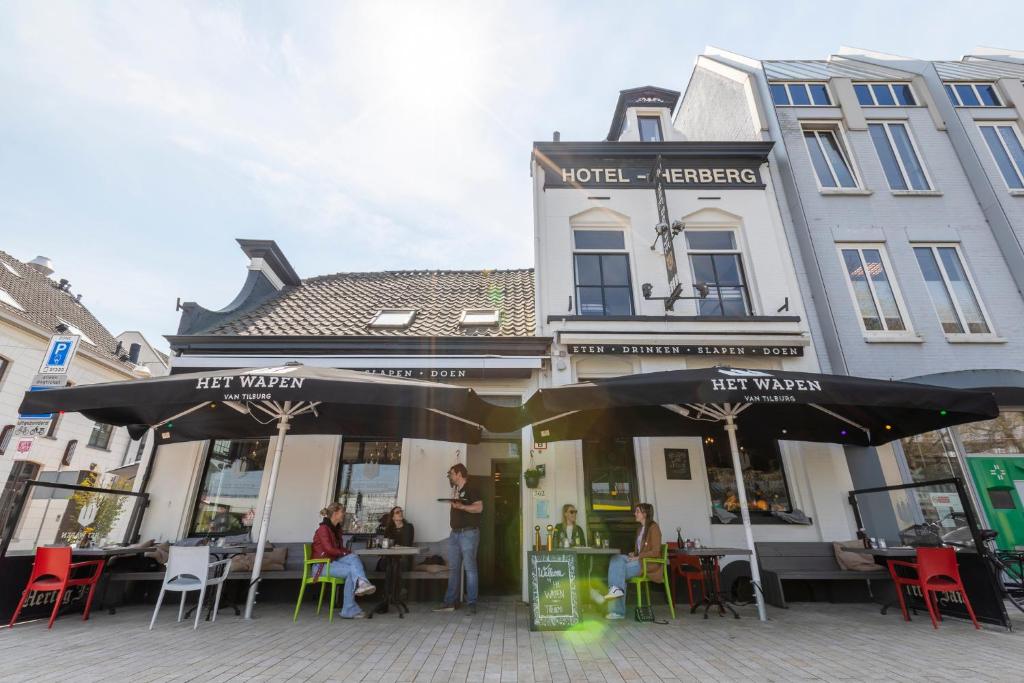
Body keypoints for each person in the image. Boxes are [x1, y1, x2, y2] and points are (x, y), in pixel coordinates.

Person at [590, 503, 663, 620]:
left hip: (646, 563)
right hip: (638, 559)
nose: (635, 513)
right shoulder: (640, 529)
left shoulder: (654, 528)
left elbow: (655, 552)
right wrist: (634, 554)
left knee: (619, 570)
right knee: (616, 558)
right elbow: (641, 549)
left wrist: (638, 557)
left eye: (637, 511)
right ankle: (615, 595)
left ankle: (616, 610)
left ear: (645, 514)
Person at [312, 502, 376, 619]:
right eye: (342, 512)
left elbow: (339, 549)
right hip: (321, 566)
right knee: (351, 570)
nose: (344, 515)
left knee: (354, 557)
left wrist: (349, 553)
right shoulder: (323, 529)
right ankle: (349, 608)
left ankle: (362, 583)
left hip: (332, 562)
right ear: (335, 513)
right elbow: (329, 549)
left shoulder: (335, 530)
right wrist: (346, 552)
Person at [434, 463, 482, 614]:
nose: (450, 476)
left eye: (451, 473)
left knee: (470, 569)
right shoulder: (456, 491)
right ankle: (450, 602)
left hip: (468, 533)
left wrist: (462, 507)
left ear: (459, 474)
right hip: (454, 534)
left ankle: (472, 603)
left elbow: (479, 507)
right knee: (454, 569)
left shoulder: (472, 488)